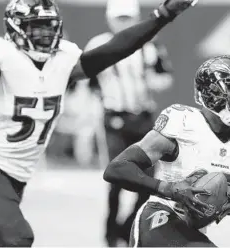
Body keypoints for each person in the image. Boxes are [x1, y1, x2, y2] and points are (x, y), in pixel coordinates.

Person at [0, 0, 198, 246]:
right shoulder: (1, 56)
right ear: (16, 29)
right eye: (37, 27)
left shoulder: (63, 60)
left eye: (50, 27)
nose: (46, 34)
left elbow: (116, 49)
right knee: (19, 237)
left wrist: (163, 15)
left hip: (13, 181)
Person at [103, 55, 230, 247]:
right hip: (159, 217)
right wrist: (169, 189)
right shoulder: (183, 123)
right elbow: (116, 169)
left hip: (192, 230)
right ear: (211, 90)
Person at [80, 0, 174, 245]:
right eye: (119, 18)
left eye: (127, 18)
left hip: (143, 118)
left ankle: (126, 227)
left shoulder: (151, 45)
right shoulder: (98, 44)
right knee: (116, 179)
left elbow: (165, 78)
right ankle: (111, 233)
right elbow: (88, 84)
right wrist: (88, 119)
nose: (123, 22)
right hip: (113, 119)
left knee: (148, 180)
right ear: (109, 18)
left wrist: (152, 80)